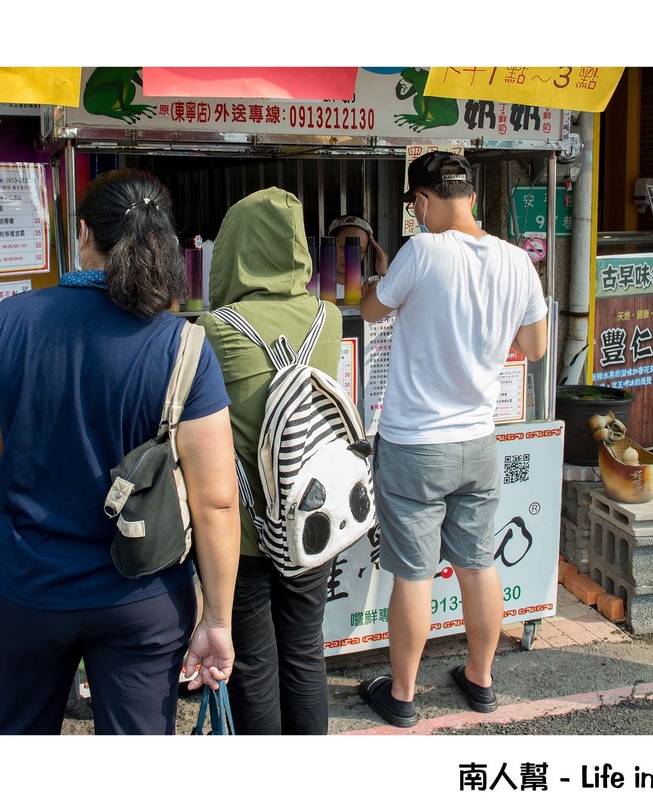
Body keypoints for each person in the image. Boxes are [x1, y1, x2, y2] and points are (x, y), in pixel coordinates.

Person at [0, 168, 240, 735]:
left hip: (25, 584)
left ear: (83, 232)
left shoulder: (8, 322)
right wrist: (217, 617)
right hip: (141, 596)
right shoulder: (180, 343)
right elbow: (216, 501)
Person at [356, 151, 548, 728]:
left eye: (415, 203)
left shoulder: (422, 251)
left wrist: (378, 281)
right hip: (478, 443)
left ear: (423, 200)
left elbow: (369, 311)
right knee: (478, 563)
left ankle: (404, 695)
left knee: (413, 574)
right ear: (471, 195)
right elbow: (535, 347)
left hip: (416, 444)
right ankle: (481, 679)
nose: (416, 213)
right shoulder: (518, 262)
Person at [197, 187, 343, 735]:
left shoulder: (215, 328)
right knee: (306, 649)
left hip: (245, 530)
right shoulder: (326, 318)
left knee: (254, 663)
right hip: (310, 522)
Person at [327, 214, 390, 281]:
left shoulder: (368, 287)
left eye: (358, 251)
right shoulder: (315, 284)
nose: (349, 257)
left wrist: (383, 274)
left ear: (365, 253)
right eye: (343, 247)